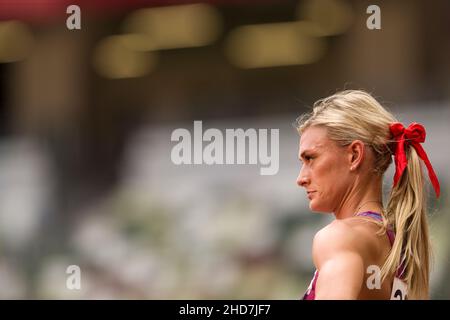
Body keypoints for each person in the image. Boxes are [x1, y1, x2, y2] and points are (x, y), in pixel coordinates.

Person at [295, 90, 440, 300]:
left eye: (311, 158)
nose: (301, 178)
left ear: (354, 155)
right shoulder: (399, 248)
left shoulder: (340, 237)